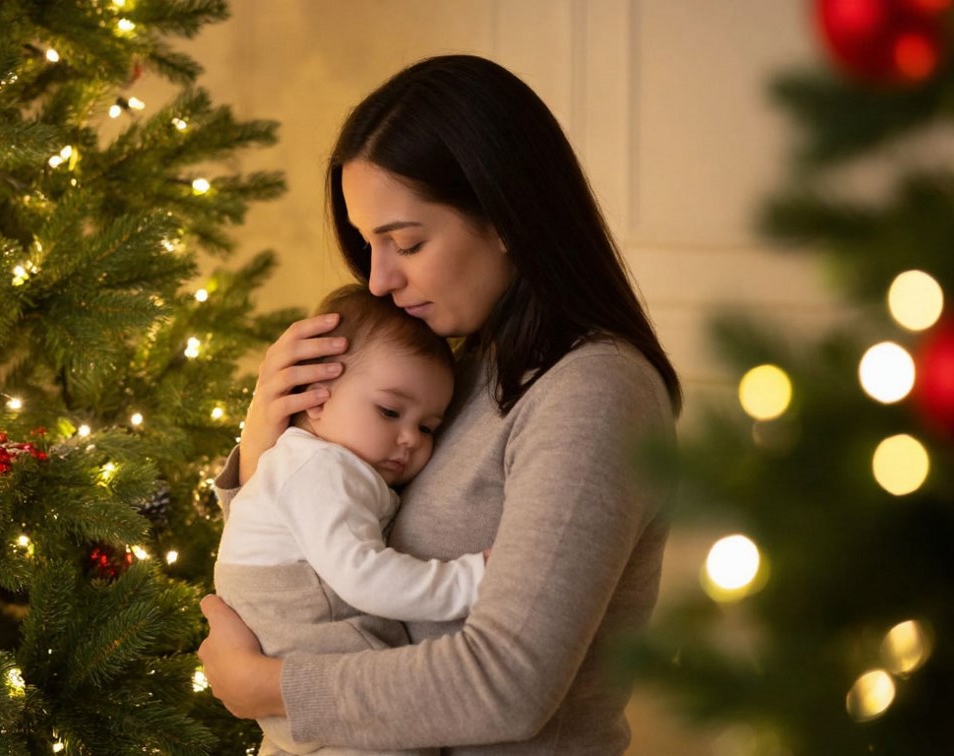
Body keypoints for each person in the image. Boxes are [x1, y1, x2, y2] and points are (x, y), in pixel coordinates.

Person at [199, 54, 683, 754]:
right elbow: (314, 572)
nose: (378, 279)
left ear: (504, 216)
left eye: (406, 242)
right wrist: (265, 444)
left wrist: (267, 688)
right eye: (368, 245)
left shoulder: (593, 392)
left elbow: (505, 684)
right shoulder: (458, 371)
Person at [215, 284, 486, 756]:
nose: (409, 439)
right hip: (316, 671)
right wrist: (474, 579)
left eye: (427, 427)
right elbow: (363, 578)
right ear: (315, 398)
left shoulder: (319, 463)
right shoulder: (323, 468)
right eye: (389, 411)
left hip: (299, 690)